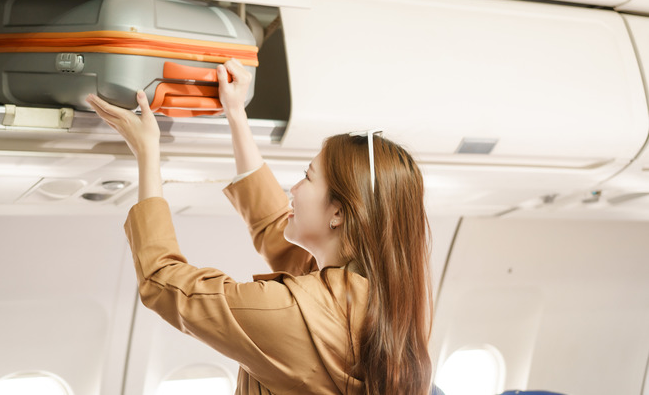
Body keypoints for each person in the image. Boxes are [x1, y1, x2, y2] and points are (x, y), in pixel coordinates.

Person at [86, 59, 433, 395]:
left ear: (338, 213)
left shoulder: (293, 315)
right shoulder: (377, 298)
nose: (293, 190)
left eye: (307, 178)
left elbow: (163, 283)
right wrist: (235, 114)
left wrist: (147, 151)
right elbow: (274, 227)